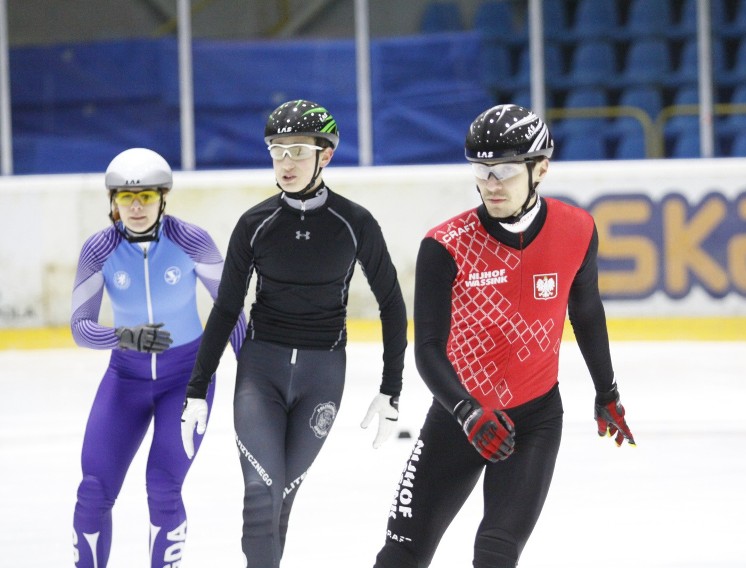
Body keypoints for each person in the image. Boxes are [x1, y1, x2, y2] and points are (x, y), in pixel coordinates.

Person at [373, 104, 635, 568]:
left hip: (535, 420)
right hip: (459, 418)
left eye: (506, 171)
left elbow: (587, 310)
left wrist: (606, 391)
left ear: (541, 169)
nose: (492, 184)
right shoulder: (445, 245)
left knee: (495, 552)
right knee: (402, 556)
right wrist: (468, 413)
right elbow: (429, 348)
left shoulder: (577, 229)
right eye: (482, 170)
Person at [179, 99, 408, 567]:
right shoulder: (254, 223)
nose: (286, 162)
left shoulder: (355, 222)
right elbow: (226, 309)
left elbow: (392, 305)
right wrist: (196, 390)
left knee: (281, 498)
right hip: (260, 372)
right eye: (277, 150)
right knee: (261, 497)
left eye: (298, 150)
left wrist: (391, 390)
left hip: (322, 375)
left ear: (325, 155)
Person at [70, 148, 246, 568]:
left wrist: (254, 378)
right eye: (125, 198)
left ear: (163, 198)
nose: (135, 206)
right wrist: (126, 337)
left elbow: (231, 310)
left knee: (163, 488)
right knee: (93, 489)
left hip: (185, 381)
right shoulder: (99, 249)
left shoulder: (191, 240)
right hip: (125, 382)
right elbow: (80, 327)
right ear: (112, 201)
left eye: (146, 197)